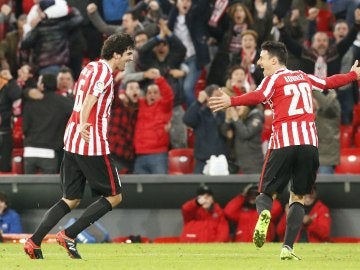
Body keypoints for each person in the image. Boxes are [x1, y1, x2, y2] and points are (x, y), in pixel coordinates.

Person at [209, 40, 360, 260]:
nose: (259, 62)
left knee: (265, 193)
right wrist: (352, 76)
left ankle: (265, 214)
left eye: (261, 57)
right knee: (298, 197)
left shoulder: (273, 79)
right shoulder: (302, 76)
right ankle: (287, 248)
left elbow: (258, 96)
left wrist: (231, 101)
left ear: (273, 60)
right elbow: (328, 83)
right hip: (309, 144)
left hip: (283, 142)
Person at [23, 33, 134, 259]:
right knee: (114, 196)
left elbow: (80, 97)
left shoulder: (89, 68)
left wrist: (80, 124)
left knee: (70, 198)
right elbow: (89, 101)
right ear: (116, 53)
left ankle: (34, 242)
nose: (130, 59)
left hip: (71, 140)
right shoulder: (104, 73)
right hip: (91, 143)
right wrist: (85, 123)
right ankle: (69, 235)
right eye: (128, 54)